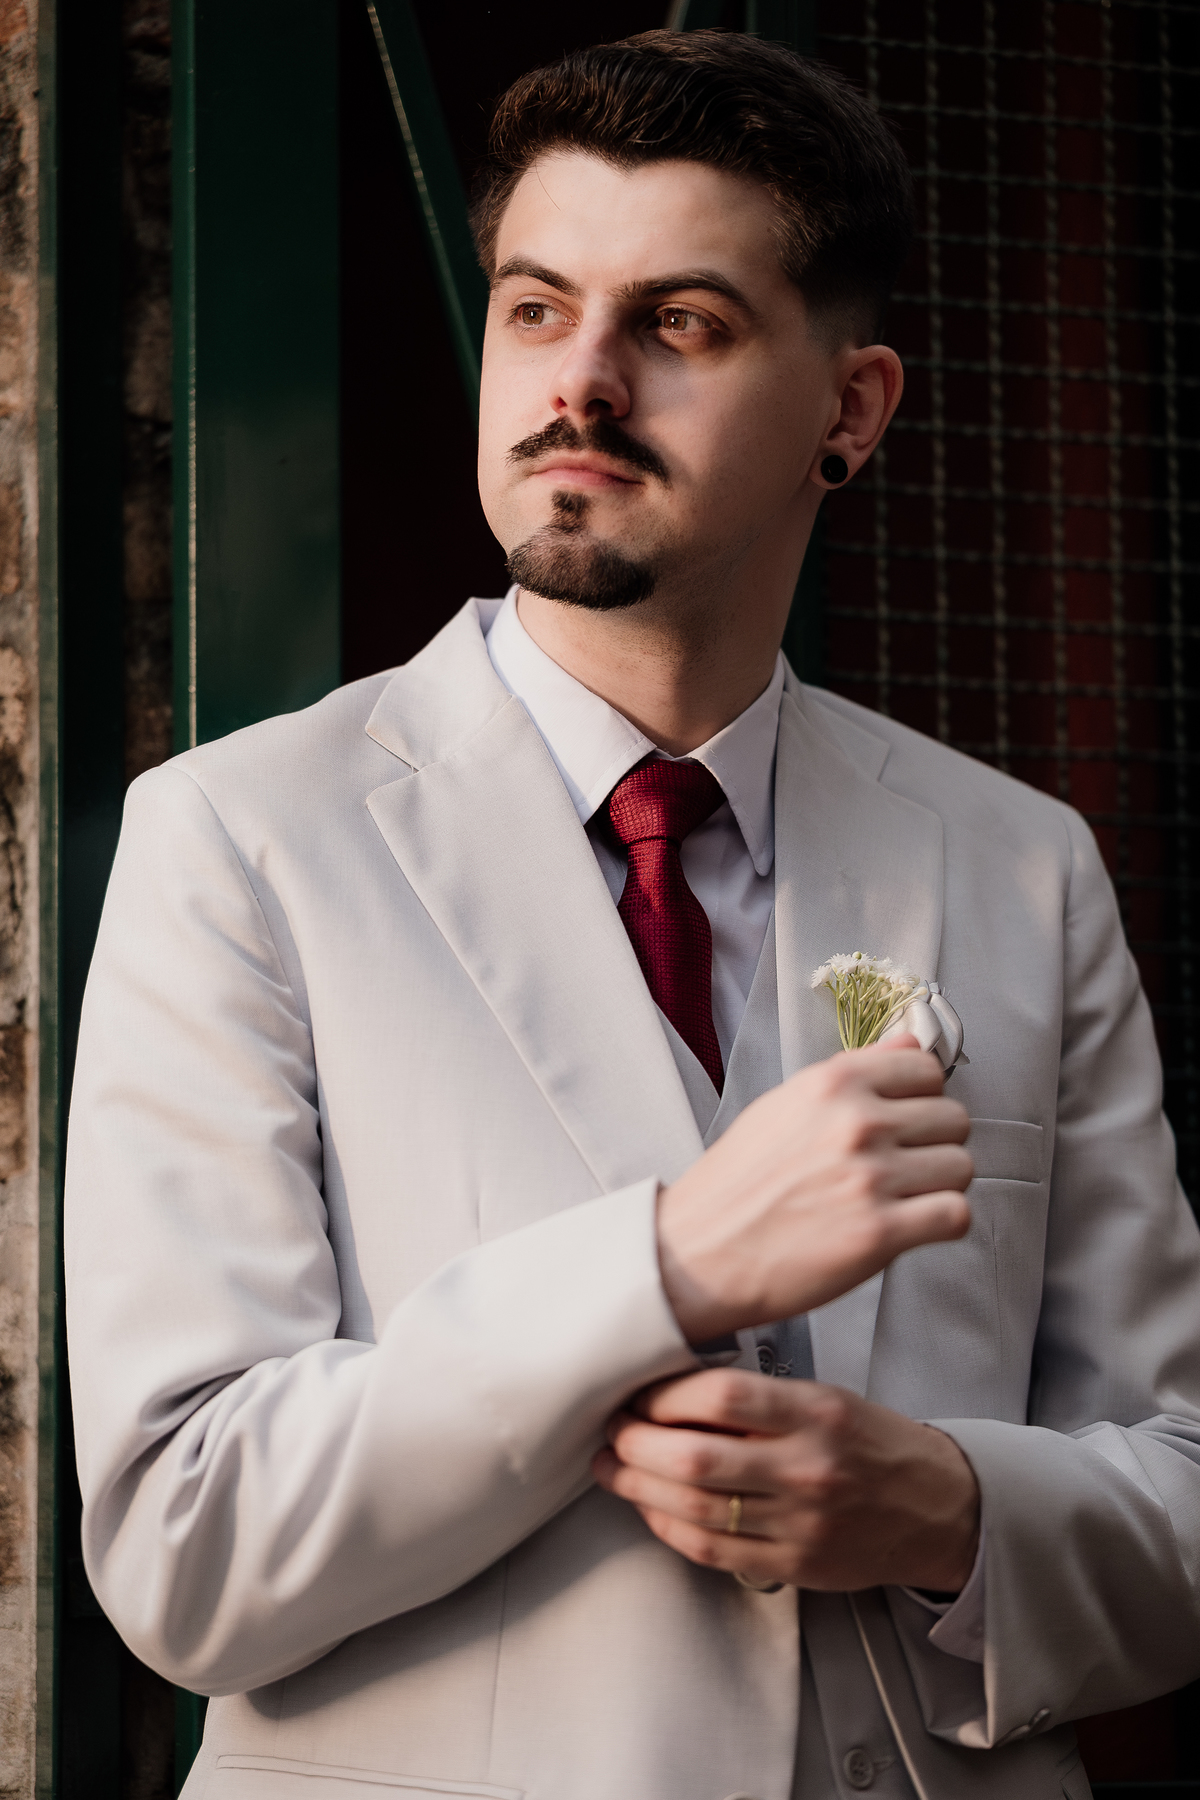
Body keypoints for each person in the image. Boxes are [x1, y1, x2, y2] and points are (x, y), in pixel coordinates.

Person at [65, 29, 1200, 1800]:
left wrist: (944, 1507)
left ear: (852, 410)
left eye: (679, 323)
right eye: (536, 309)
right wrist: (666, 1266)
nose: (579, 382)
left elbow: (1181, 1499)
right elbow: (183, 1545)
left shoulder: (1021, 866)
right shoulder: (239, 840)